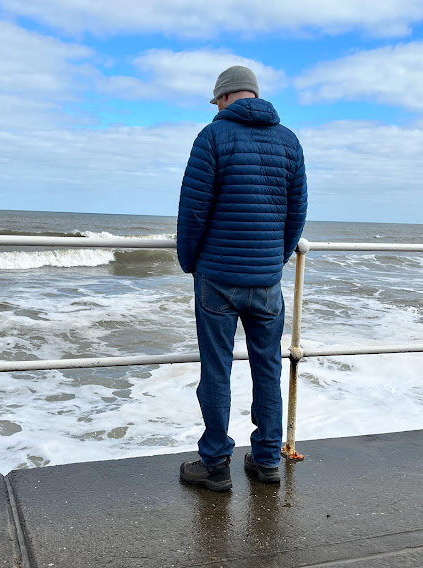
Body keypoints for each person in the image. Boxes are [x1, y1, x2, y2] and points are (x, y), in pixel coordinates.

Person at [176, 66, 307, 492]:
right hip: (266, 279)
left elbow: (193, 210)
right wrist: (276, 258)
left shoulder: (212, 137)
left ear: (227, 96)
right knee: (268, 368)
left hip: (217, 277)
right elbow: (297, 212)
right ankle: (267, 459)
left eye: (217, 101)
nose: (216, 108)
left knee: (217, 371)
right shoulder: (289, 141)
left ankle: (215, 464)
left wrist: (189, 261)